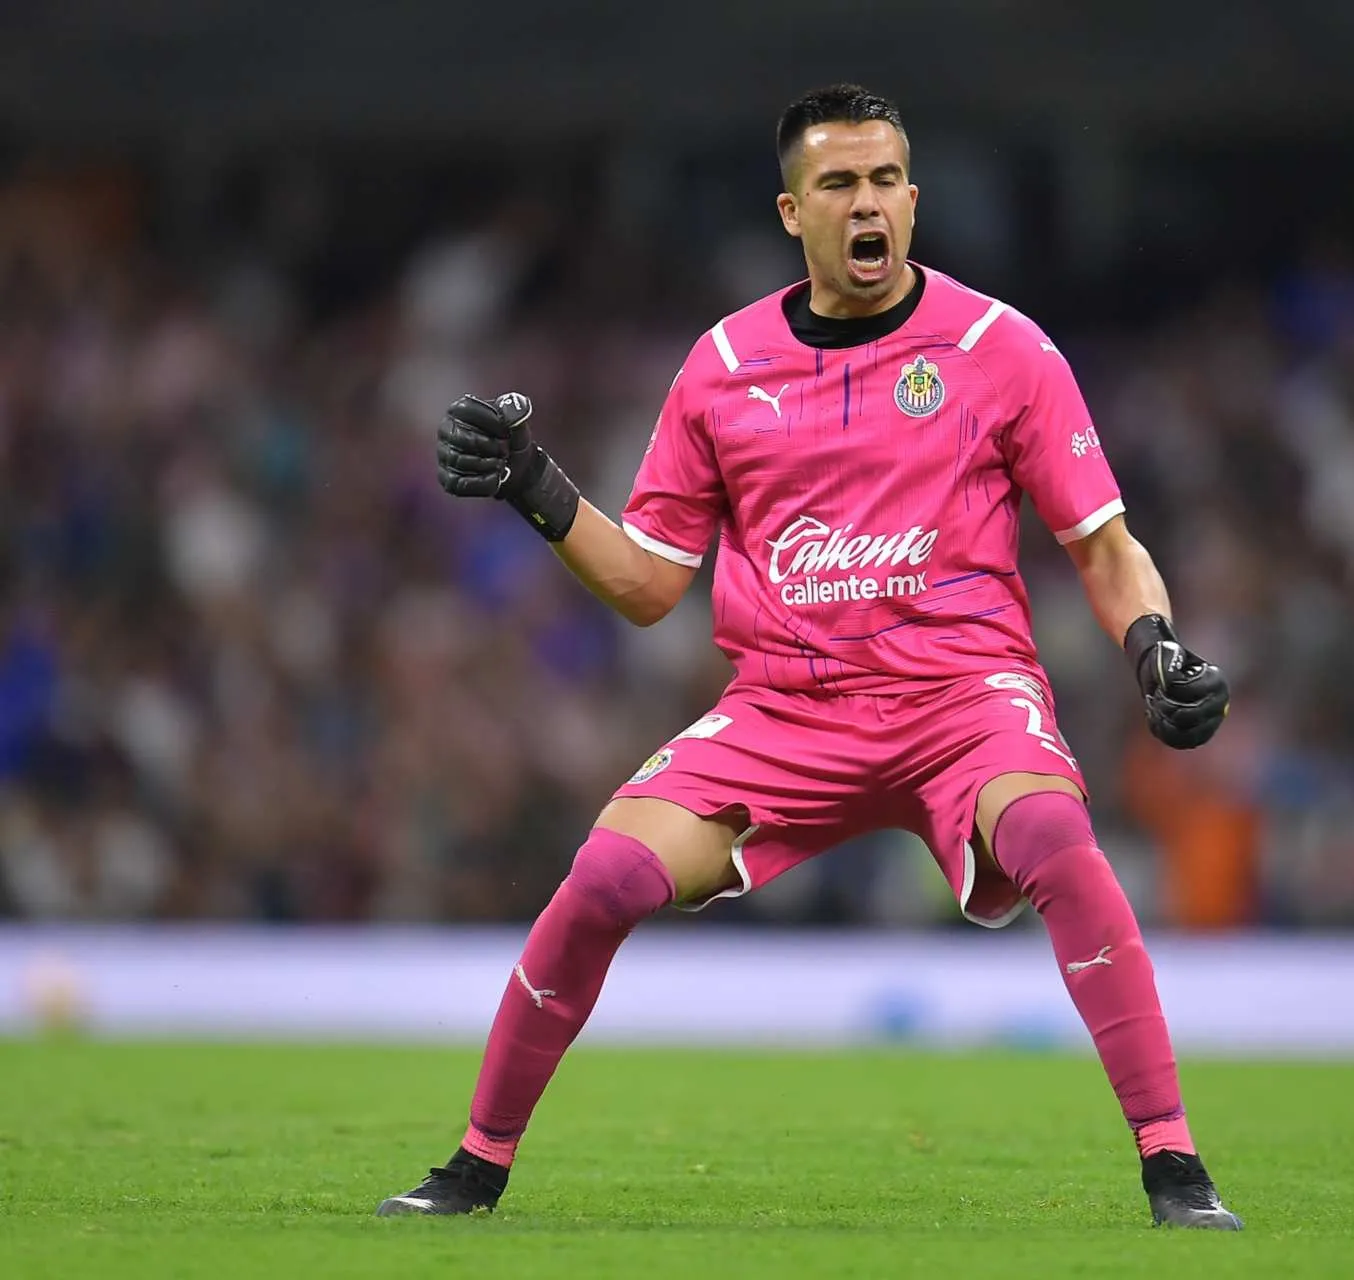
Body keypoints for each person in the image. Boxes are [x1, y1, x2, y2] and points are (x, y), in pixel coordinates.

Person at [378, 84, 1241, 1231]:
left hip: (960, 699)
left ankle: (1175, 1167)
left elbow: (1106, 545)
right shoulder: (723, 364)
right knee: (602, 879)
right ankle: (475, 1166)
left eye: (886, 179)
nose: (867, 202)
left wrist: (1154, 648)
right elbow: (647, 584)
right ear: (794, 212)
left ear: (914, 199)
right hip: (787, 709)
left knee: (1055, 840)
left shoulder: (1002, 348)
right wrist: (535, 485)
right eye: (839, 183)